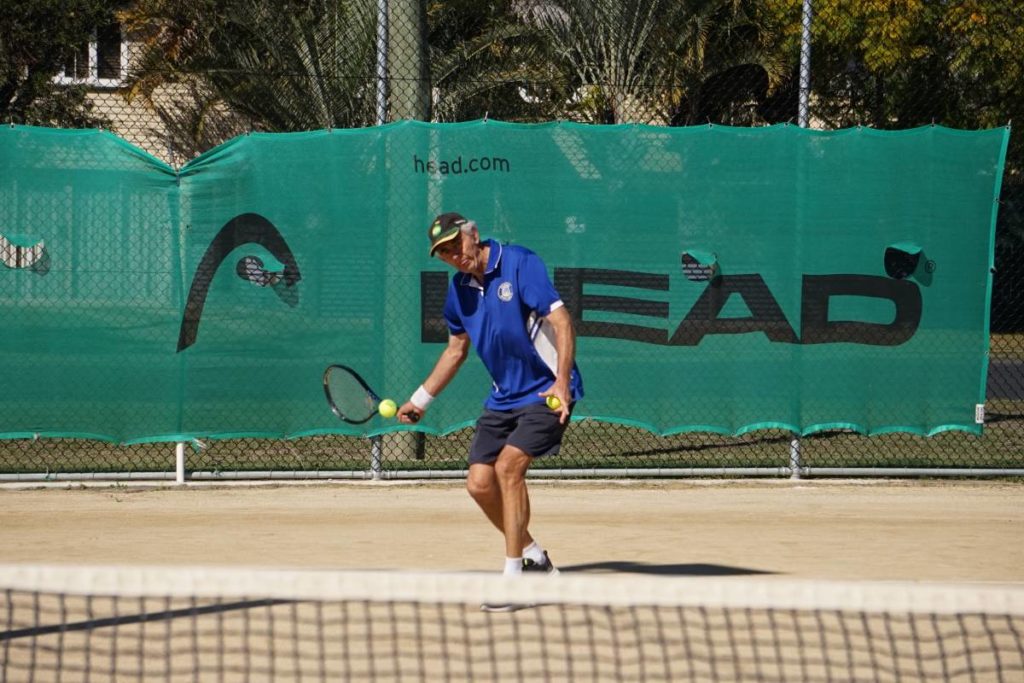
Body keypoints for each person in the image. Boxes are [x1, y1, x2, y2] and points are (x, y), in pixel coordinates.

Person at [398, 212, 583, 581]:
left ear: (473, 235)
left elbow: (562, 322)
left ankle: (513, 574)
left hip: (546, 390)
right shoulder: (458, 291)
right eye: (444, 252)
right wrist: (420, 400)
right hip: (503, 397)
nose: (454, 255)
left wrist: (562, 381)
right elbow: (455, 351)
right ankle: (535, 557)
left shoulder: (519, 263)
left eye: (456, 245)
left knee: (508, 467)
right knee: (479, 484)